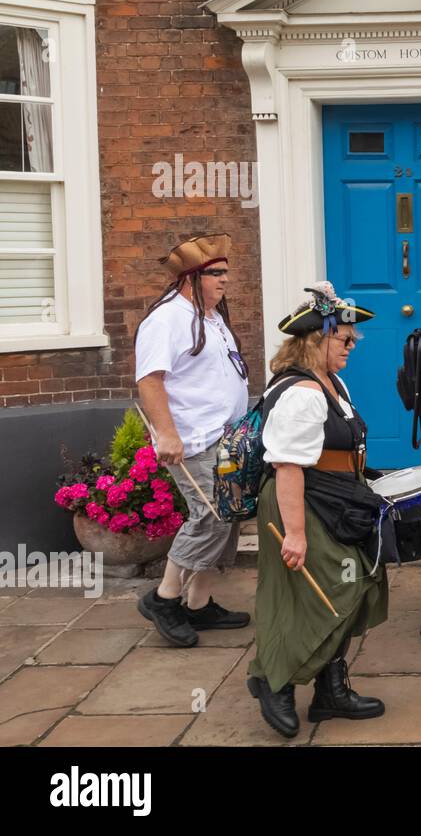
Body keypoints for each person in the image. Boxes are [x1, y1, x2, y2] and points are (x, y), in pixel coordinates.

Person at [245, 282, 389, 738]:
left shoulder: (332, 382)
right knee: (309, 596)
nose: (352, 346)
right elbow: (288, 466)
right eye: (344, 339)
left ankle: (331, 690)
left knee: (355, 585)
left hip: (331, 498)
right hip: (299, 503)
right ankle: (273, 682)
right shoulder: (302, 392)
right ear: (315, 340)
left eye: (353, 340)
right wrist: (295, 534)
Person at [135, 233, 251, 647]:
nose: (225, 280)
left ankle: (198, 605)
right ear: (190, 277)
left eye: (225, 272)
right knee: (210, 517)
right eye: (215, 273)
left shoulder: (211, 316)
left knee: (229, 517)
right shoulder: (166, 319)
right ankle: (164, 598)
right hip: (194, 440)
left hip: (227, 438)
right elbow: (150, 380)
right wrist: (166, 433)